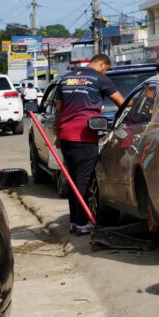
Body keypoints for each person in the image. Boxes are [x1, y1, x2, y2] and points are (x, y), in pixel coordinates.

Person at [55, 54, 125, 235]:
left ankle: (74, 221)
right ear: (102, 64)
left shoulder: (66, 78)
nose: (106, 72)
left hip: (66, 136)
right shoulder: (100, 79)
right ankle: (82, 223)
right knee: (83, 180)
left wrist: (57, 133)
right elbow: (122, 104)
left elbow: (58, 108)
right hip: (84, 135)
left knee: (73, 179)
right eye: (107, 68)